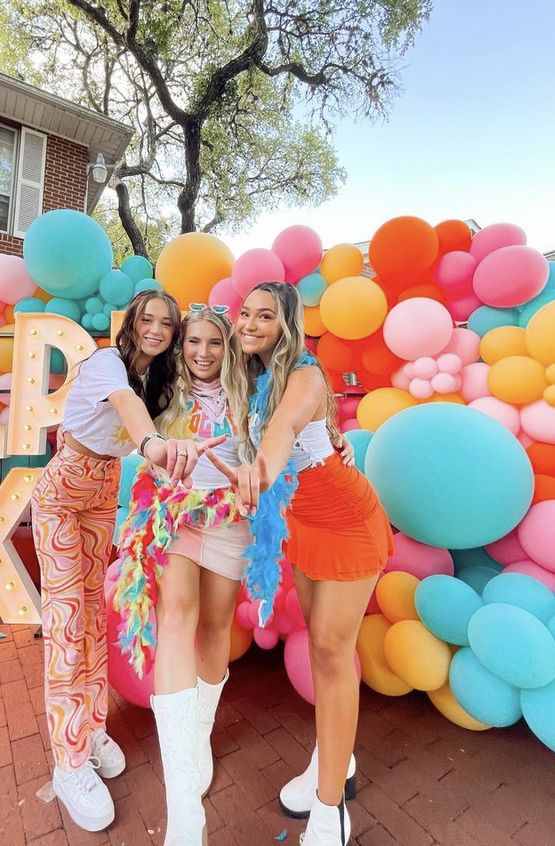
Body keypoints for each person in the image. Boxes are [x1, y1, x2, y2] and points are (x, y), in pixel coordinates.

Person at [210, 282, 395, 846]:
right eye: (245, 314)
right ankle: (336, 760)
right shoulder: (249, 375)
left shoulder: (305, 374)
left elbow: (285, 428)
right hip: (305, 525)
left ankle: (331, 807)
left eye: (266, 316)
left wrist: (256, 471)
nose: (251, 323)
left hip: (346, 520)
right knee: (321, 647)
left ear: (287, 326)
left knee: (333, 652)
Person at [31, 289, 222, 834]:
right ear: (132, 323)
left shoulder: (158, 380)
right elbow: (127, 409)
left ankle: (89, 728)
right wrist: (153, 443)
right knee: (67, 623)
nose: (156, 330)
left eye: (167, 324)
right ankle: (68, 762)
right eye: (148, 320)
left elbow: (189, 405)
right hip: (64, 493)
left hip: (101, 491)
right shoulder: (106, 364)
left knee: (93, 615)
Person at [115, 306, 249, 845]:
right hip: (172, 515)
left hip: (231, 520)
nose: (202, 352)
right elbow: (138, 439)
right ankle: (184, 810)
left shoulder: (249, 391)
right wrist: (167, 453)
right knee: (176, 617)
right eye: (193, 341)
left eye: (214, 343)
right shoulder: (162, 384)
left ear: (228, 348)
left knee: (215, 628)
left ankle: (198, 737)